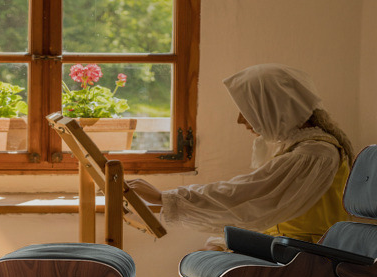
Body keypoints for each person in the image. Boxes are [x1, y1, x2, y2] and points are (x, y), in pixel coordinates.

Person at [129, 63, 355, 255]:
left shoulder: (313, 153)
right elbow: (253, 196)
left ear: (274, 108)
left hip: (304, 254)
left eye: (247, 111)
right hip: (290, 247)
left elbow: (246, 193)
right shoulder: (306, 147)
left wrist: (165, 197)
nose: (239, 120)